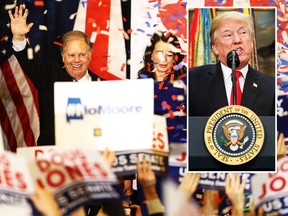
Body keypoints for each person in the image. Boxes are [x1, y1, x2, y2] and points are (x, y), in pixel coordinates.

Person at [8, 5, 102, 146]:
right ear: (63, 55)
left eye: (82, 55)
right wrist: (19, 37)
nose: (76, 60)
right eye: (71, 55)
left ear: (89, 55)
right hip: (53, 156)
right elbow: (30, 64)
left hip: (91, 153)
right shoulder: (49, 75)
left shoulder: (103, 85)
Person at [189, 11, 275, 117]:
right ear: (215, 48)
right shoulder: (192, 80)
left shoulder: (271, 87)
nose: (237, 40)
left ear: (252, 43)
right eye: (228, 35)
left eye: (243, 33)